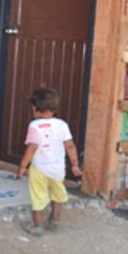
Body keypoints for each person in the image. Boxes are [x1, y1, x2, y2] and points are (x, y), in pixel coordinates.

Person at [17, 87, 82, 236]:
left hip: (39, 169)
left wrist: (22, 166)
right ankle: (54, 220)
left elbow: (32, 148)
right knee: (57, 193)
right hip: (58, 169)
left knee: (38, 195)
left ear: (35, 108)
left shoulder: (34, 126)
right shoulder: (62, 125)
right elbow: (70, 146)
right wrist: (75, 165)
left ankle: (38, 226)